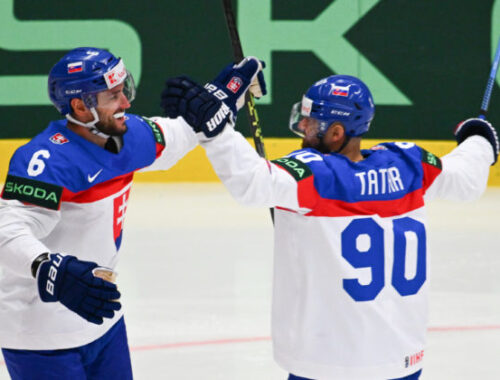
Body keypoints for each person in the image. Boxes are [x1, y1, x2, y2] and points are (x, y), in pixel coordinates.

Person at [161, 58, 499, 379]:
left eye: (310, 122)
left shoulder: (318, 175)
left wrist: (215, 129)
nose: (303, 127)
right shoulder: (409, 163)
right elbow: (466, 178)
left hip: (328, 365)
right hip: (402, 360)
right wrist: (478, 139)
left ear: (336, 132)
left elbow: (251, 182)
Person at [0, 46, 238, 379]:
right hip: (39, 332)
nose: (126, 103)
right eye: (113, 96)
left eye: (124, 89)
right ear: (81, 106)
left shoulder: (130, 134)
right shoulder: (45, 160)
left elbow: (183, 132)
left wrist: (226, 94)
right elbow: (7, 230)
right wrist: (49, 268)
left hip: (101, 313)